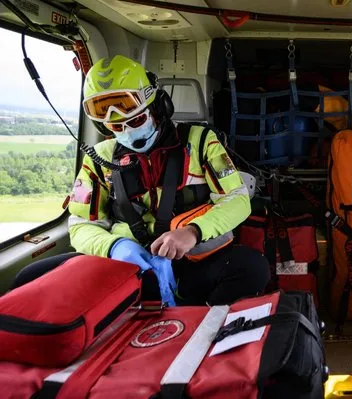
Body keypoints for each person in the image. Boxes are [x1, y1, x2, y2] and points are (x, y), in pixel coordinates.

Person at [11, 55, 270, 306]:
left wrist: (192, 232)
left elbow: (237, 200)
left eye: (135, 120)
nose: (128, 131)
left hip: (192, 263)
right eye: (116, 127)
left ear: (158, 108)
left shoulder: (201, 142)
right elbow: (79, 225)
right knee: (30, 278)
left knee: (253, 268)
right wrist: (115, 246)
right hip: (127, 265)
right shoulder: (100, 158)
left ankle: (197, 322)